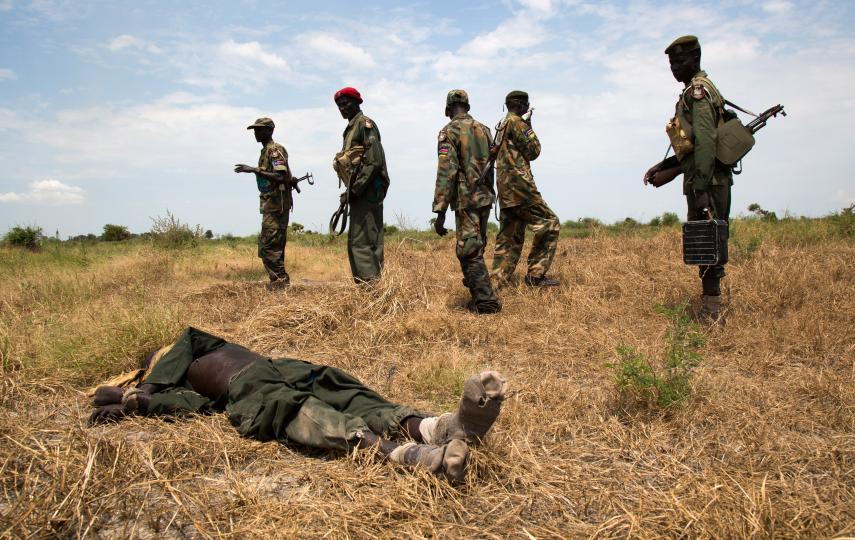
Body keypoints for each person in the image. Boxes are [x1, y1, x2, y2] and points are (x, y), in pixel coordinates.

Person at [88, 327, 507, 483]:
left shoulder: (191, 345)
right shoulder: (170, 384)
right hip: (249, 391)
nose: (160, 360)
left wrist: (153, 380)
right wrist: (140, 402)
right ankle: (410, 455)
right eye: (153, 363)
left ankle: (440, 427)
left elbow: (188, 335)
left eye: (159, 359)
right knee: (302, 410)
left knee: (343, 389)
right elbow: (196, 407)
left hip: (280, 366)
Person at [643, 36, 733, 319]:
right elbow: (692, 147)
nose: (675, 68)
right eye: (671, 63)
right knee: (702, 240)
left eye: (680, 61)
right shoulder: (691, 92)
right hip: (700, 177)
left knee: (709, 239)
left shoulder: (698, 92)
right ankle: (709, 303)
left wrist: (702, 187)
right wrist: (664, 166)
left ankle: (712, 309)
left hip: (709, 181)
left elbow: (706, 141)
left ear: (695, 59)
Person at [432, 90, 501, 314]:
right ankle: (478, 291)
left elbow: (446, 171)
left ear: (448, 108)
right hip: (485, 197)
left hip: (465, 197)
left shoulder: (449, 131)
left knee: (468, 250)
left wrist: (440, 210)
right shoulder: (485, 130)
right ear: (467, 106)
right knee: (477, 245)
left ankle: (485, 300)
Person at [491, 91, 561, 288]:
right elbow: (534, 151)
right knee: (549, 223)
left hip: (505, 188)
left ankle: (496, 282)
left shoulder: (501, 125)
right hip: (520, 186)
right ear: (522, 106)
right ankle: (535, 276)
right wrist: (529, 125)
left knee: (509, 237)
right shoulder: (517, 123)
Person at [333, 87, 390, 284]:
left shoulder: (365, 125)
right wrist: (349, 191)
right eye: (339, 105)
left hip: (368, 191)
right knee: (357, 242)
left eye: (346, 103)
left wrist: (354, 190)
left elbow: (373, 161)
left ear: (357, 102)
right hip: (359, 190)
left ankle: (372, 292)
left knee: (364, 242)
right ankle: (367, 290)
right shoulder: (350, 129)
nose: (342, 108)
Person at [234, 117, 294, 289]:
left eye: (259, 129)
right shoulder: (265, 151)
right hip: (271, 205)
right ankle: (279, 282)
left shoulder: (274, 150)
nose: (256, 133)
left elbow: (280, 176)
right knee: (273, 245)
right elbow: (284, 176)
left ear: (270, 130)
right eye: (255, 130)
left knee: (268, 246)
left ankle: (280, 282)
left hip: (277, 205)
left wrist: (254, 169)